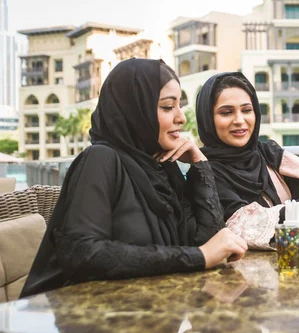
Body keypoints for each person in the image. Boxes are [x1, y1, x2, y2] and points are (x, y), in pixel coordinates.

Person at [21, 59, 247, 298]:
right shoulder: (100, 160)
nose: (181, 117)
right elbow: (84, 253)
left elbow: (207, 240)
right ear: (134, 110)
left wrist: (201, 165)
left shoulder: (162, 169)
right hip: (84, 318)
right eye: (168, 107)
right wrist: (197, 257)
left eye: (179, 106)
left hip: (147, 311)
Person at [194, 72, 299, 249]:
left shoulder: (268, 153)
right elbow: (243, 229)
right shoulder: (204, 172)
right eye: (226, 112)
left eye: (247, 110)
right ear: (208, 119)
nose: (240, 120)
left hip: (295, 265)